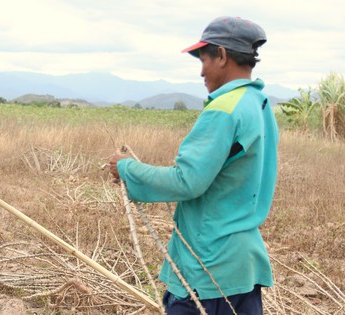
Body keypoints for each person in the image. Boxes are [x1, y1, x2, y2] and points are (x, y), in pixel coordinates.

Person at [109, 16, 278, 315]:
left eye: (203, 59)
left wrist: (127, 169)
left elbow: (187, 181)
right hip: (243, 266)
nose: (201, 71)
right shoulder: (260, 105)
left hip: (208, 267)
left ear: (222, 56)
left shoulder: (223, 111)